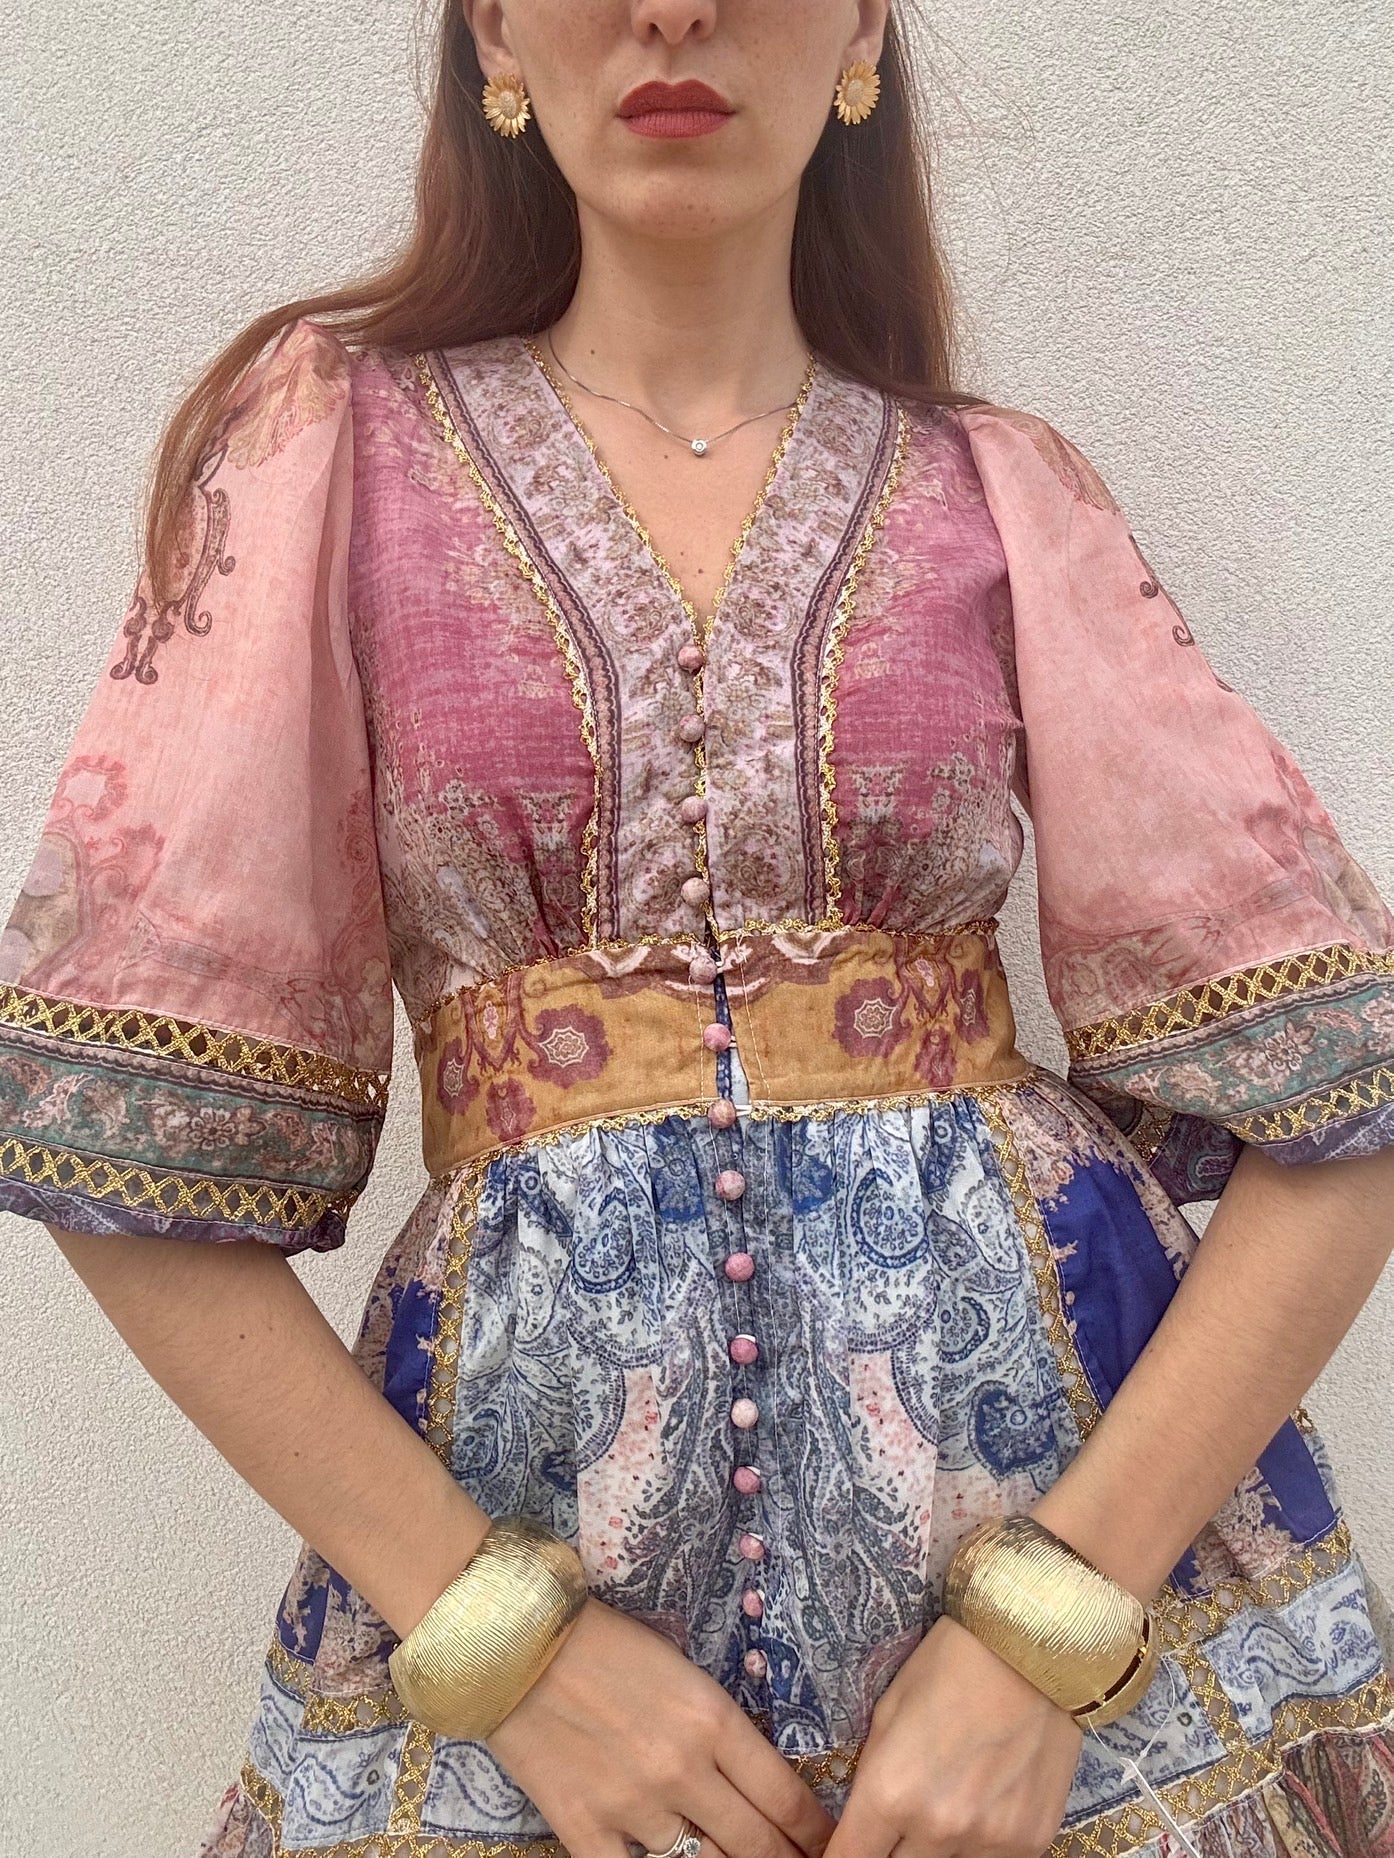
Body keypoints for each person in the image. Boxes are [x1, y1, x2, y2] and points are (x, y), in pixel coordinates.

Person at [4, 3, 1394, 1855]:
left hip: (1076, 1673)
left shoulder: (1000, 490)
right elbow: (120, 1137)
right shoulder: (327, 453)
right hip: (531, 1632)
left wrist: (1052, 1630)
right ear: (494, 32)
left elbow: (1350, 1101)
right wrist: (498, 1643)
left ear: (863, 29)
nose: (671, 10)